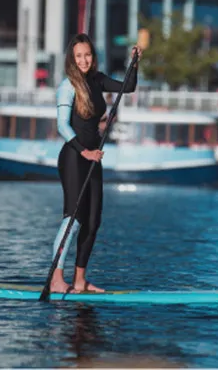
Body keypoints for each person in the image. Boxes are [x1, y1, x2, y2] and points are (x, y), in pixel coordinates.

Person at [50, 33, 141, 294]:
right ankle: (57, 277)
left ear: (93, 56)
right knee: (73, 219)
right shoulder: (67, 86)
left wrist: (134, 63)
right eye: (78, 56)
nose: (83, 60)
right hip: (73, 157)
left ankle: (79, 281)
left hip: (93, 158)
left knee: (93, 221)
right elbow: (62, 126)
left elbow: (128, 87)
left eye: (87, 54)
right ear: (72, 58)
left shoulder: (98, 80)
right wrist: (85, 152)